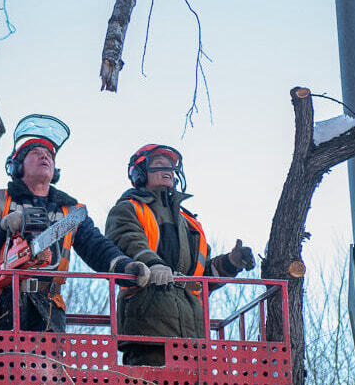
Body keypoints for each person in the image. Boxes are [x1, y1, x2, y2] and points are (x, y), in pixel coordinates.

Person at [0, 115, 152, 332]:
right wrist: (1, 227)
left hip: (47, 310)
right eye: (35, 152)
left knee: (45, 367)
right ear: (17, 165)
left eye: (49, 155)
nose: (44, 156)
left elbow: (98, 249)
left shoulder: (70, 212)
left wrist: (127, 267)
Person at [105, 144, 256, 365]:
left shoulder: (190, 223)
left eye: (171, 166)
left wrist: (230, 263)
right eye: (158, 165)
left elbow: (201, 277)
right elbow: (129, 241)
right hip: (149, 330)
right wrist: (153, 264)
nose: (168, 170)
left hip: (192, 335)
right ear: (139, 173)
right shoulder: (128, 209)